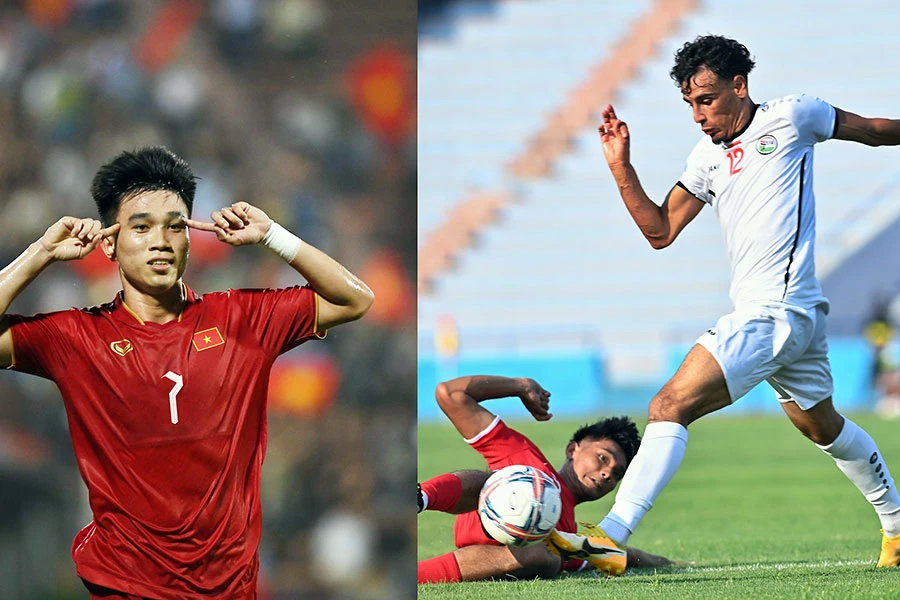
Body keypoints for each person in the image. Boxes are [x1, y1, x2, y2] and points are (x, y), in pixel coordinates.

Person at [551, 34, 900, 568]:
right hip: (794, 315)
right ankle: (897, 528)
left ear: (739, 86)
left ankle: (611, 533)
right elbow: (661, 230)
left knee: (669, 406)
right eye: (690, 103)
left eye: (706, 99)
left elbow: (874, 132)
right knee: (821, 427)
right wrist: (621, 166)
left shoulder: (793, 117)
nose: (697, 114)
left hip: (774, 312)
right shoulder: (705, 159)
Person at [0, 146, 375, 598]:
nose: (161, 240)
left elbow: (354, 300)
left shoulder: (241, 321)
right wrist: (39, 253)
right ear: (109, 243)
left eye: (175, 226)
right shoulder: (80, 339)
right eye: (140, 227)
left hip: (230, 588)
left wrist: (273, 235)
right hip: (126, 584)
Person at [416, 375, 676, 583]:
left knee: (547, 557)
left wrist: (669, 563)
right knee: (508, 481)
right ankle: (419, 497)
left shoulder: (568, 535)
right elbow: (450, 394)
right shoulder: (524, 458)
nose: (607, 473)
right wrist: (520, 386)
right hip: (478, 505)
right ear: (572, 450)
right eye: (603, 458)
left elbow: (618, 553)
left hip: (498, 557)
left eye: (617, 474)